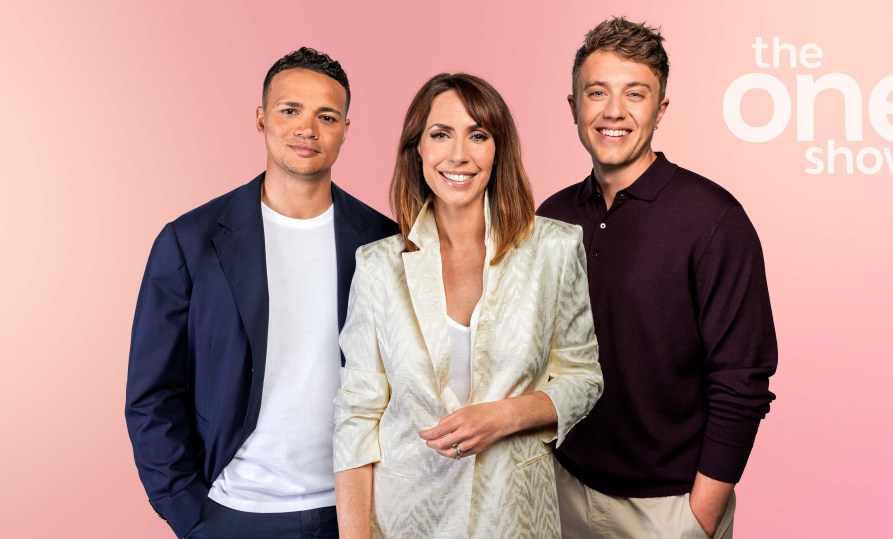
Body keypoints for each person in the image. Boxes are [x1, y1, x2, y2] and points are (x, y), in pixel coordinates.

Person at [125, 47, 397, 539]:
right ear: (261, 119)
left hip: (356, 511)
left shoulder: (383, 241)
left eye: (326, 116)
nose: (307, 129)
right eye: (290, 110)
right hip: (232, 513)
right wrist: (191, 518)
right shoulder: (190, 242)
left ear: (345, 130)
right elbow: (152, 396)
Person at [332, 73, 603, 538]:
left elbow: (584, 378)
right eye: (441, 134)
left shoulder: (555, 249)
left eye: (478, 135)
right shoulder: (378, 266)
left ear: (499, 149)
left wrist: (503, 417)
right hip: (408, 519)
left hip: (516, 516)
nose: (459, 154)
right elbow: (357, 417)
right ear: (417, 148)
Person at [538, 18, 778, 539]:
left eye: (636, 93)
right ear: (574, 106)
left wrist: (699, 517)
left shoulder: (714, 220)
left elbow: (743, 378)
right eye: (596, 92)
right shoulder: (550, 217)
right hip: (561, 489)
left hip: (667, 510)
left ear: (660, 108)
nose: (614, 111)